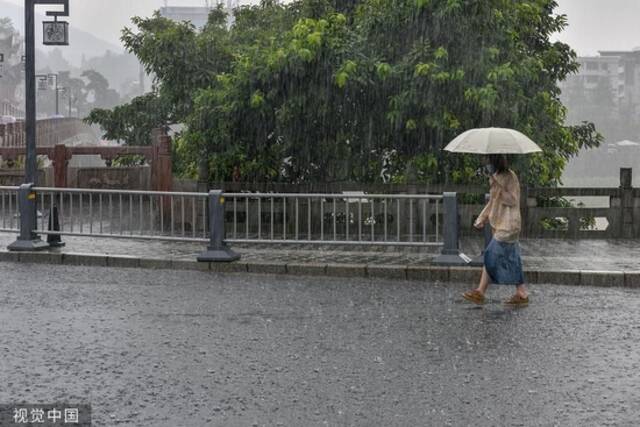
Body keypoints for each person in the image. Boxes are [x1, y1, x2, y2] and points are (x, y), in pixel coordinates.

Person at [462, 154, 529, 306]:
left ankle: (481, 291)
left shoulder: (510, 177)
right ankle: (521, 292)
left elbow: (512, 200)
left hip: (509, 224)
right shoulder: (495, 176)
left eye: (488, 161)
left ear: (495, 161)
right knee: (513, 259)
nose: (486, 164)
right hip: (500, 223)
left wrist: (499, 187)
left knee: (491, 254)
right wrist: (482, 218)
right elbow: (492, 202)